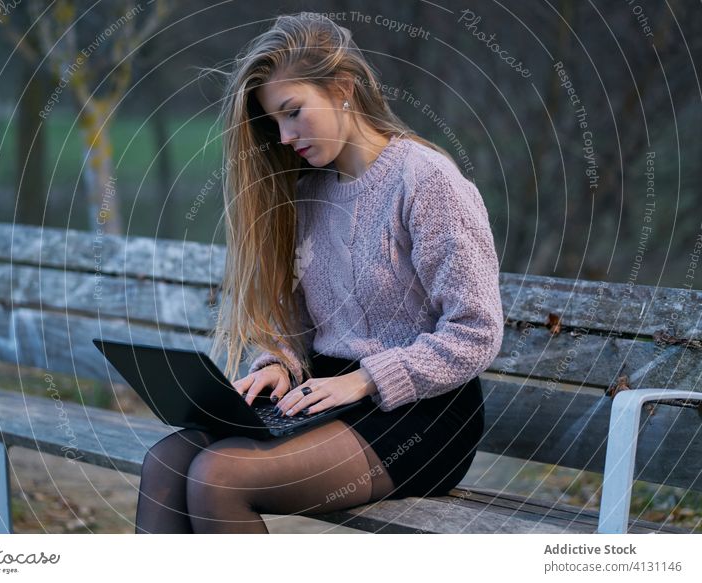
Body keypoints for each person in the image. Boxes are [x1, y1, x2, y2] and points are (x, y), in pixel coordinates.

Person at [134, 12, 503, 534]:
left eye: (293, 112)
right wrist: (278, 361)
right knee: (166, 465)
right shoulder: (309, 191)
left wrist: (363, 380)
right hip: (320, 398)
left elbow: (477, 332)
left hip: (420, 416)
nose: (285, 137)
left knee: (219, 476)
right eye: (274, 122)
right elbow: (297, 319)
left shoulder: (426, 181)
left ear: (343, 88)